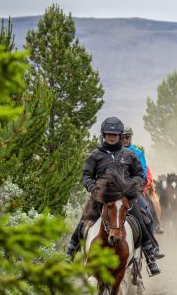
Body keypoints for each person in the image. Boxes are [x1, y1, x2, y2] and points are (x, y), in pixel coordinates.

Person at [66, 117, 161, 275]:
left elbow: (139, 174)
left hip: (125, 197)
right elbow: (87, 176)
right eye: (109, 134)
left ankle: (150, 257)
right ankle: (70, 253)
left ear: (120, 136)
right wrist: (93, 189)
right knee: (84, 220)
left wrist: (131, 187)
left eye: (115, 134)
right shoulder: (95, 155)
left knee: (142, 218)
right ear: (103, 135)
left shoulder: (130, 155)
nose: (112, 136)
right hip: (102, 196)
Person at [121, 126, 165, 256]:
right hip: (114, 191)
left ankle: (152, 248)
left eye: (127, 137)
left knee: (147, 214)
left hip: (134, 191)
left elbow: (143, 173)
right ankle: (74, 248)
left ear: (131, 137)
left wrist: (136, 185)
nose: (124, 140)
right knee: (89, 214)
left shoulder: (137, 153)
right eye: (122, 137)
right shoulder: (113, 152)